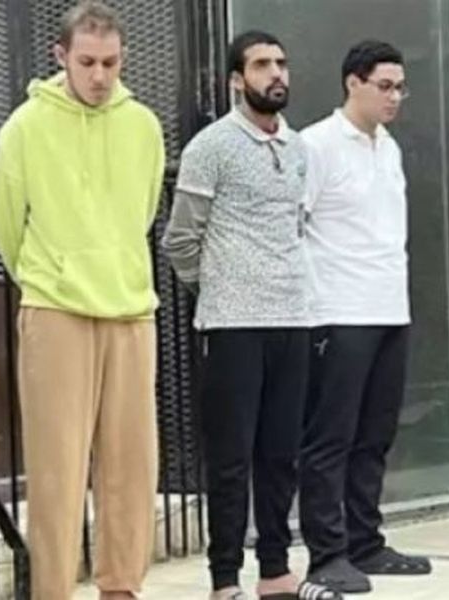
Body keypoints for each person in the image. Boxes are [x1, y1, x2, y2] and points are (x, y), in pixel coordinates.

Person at [0, 2, 165, 598]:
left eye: (110, 62)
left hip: (130, 308)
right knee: (57, 470)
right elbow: (3, 218)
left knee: (132, 467)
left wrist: (114, 265)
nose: (100, 75)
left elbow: (142, 211)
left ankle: (122, 587)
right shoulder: (25, 126)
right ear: (60, 56)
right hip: (56, 309)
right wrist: (48, 275)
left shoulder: (143, 126)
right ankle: (53, 590)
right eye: (87, 62)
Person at [162, 30, 340, 600]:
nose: (276, 73)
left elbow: (295, 229)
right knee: (231, 458)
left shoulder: (299, 148)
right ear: (237, 80)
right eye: (262, 64)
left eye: (281, 63)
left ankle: (276, 573)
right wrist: (217, 289)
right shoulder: (210, 146)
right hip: (232, 324)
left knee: (280, 455)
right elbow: (180, 240)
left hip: (293, 319)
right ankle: (223, 580)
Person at [297, 40, 431, 593]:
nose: (394, 96)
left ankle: (365, 542)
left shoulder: (389, 147)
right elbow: (294, 225)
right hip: (337, 311)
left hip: (389, 309)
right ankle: (327, 553)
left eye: (400, 87)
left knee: (375, 435)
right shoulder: (316, 145)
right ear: (353, 83)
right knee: (331, 438)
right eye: (384, 86)